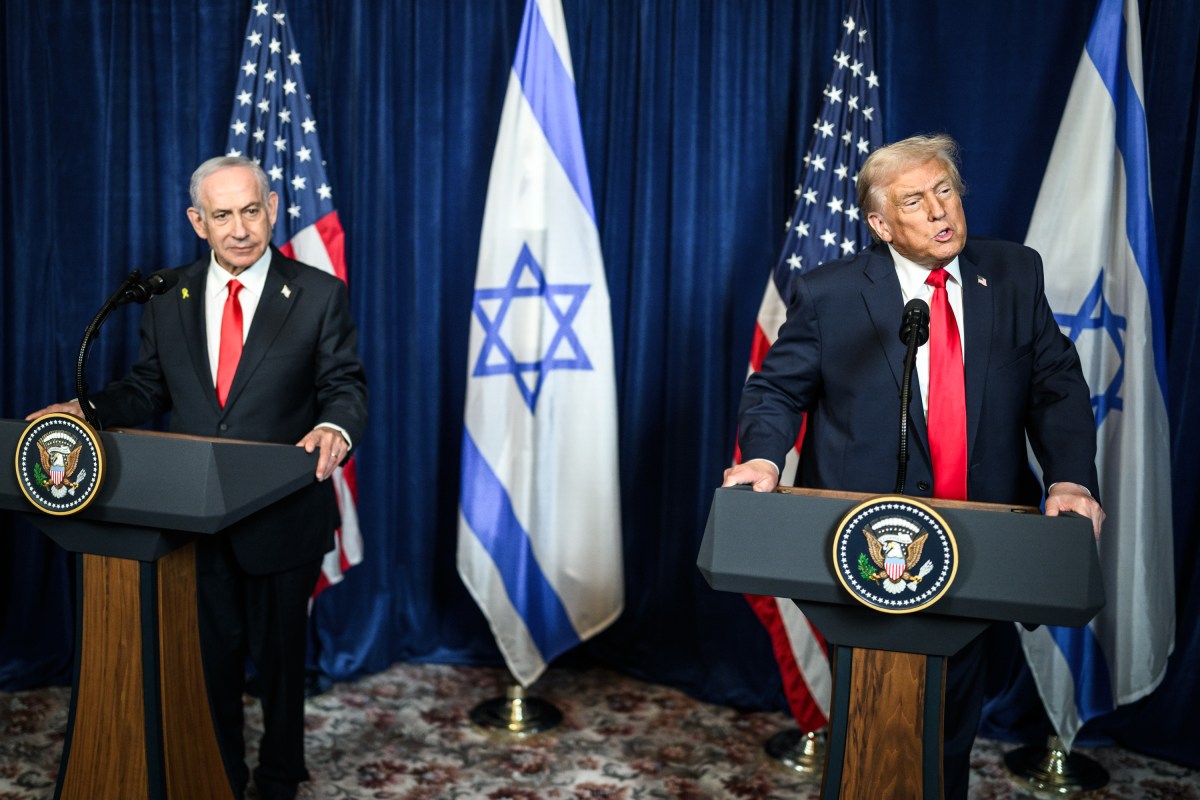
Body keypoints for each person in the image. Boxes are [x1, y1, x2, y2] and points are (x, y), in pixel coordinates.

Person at [722, 134, 1103, 799]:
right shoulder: (831, 292)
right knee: (873, 712)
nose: (939, 211)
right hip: (860, 542)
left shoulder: (1013, 274)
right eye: (915, 200)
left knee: (953, 716)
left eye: (946, 190)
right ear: (880, 222)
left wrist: (1069, 477)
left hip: (980, 537)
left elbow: (1056, 385)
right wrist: (760, 457)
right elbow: (777, 389)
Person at [27, 155, 368, 800]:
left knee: (279, 665)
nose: (239, 228)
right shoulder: (167, 297)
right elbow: (148, 387)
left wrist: (336, 429)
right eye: (221, 215)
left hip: (282, 514)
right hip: (194, 517)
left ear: (271, 209)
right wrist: (88, 410)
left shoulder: (319, 294)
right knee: (208, 663)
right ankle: (219, 774)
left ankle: (278, 778)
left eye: (249, 210)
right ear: (198, 222)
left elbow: (343, 387)